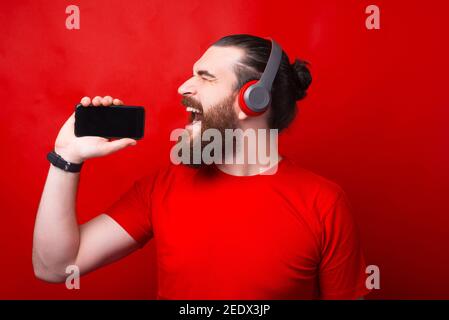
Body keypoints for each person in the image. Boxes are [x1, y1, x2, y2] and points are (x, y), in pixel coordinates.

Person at [33, 34, 370, 299]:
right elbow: (55, 267)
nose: (183, 87)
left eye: (205, 78)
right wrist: (66, 158)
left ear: (252, 100)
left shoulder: (324, 203)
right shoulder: (162, 188)